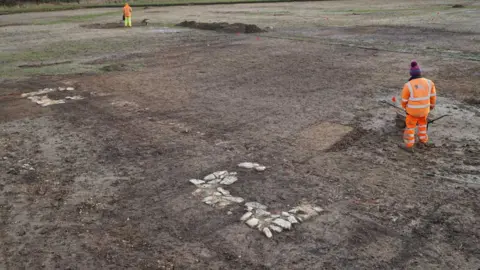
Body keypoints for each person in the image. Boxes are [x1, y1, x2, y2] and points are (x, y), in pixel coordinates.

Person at [399, 61, 437, 152]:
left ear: (411, 74)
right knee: (423, 125)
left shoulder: (408, 85)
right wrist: (431, 106)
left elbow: (404, 100)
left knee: (410, 127)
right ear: (420, 72)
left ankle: (409, 145)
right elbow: (433, 97)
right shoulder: (429, 82)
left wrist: (405, 108)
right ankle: (423, 141)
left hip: (412, 112)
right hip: (424, 111)